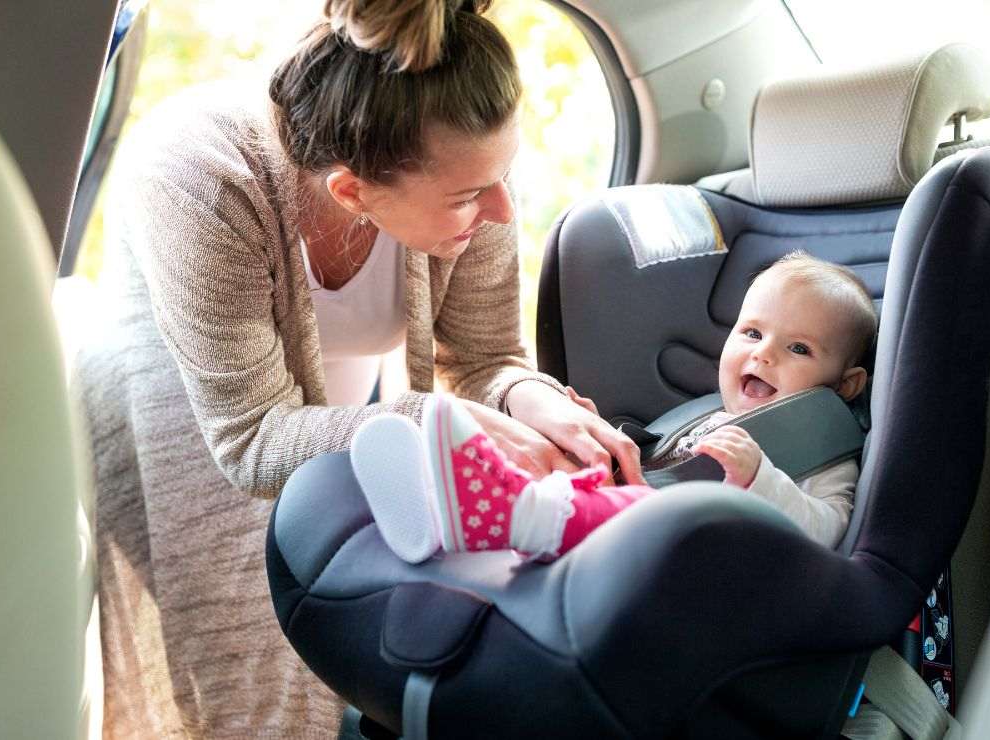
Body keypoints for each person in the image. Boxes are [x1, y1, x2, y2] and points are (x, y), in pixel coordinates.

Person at [90, 0, 643, 736]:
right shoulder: (202, 179)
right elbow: (253, 442)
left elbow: (483, 359)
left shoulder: (461, 164)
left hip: (330, 406)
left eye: (502, 176)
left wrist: (529, 398)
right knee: (240, 674)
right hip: (183, 407)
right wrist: (423, 422)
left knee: (342, 636)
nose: (504, 211)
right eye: (473, 195)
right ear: (351, 191)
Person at [351, 252, 878, 563]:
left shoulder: (821, 446)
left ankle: (503, 512)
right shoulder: (712, 416)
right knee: (565, 458)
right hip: (647, 516)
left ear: (847, 384)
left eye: (799, 349)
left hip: (690, 556)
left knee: (585, 502)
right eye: (753, 332)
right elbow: (662, 471)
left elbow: (828, 532)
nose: (763, 353)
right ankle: (439, 501)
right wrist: (596, 429)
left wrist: (761, 477)